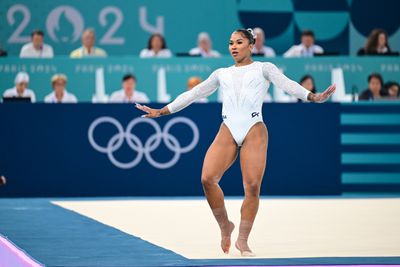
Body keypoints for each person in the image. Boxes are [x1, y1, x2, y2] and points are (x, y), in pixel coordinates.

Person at [136, 28, 335, 256]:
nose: (233, 46)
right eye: (230, 42)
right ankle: (225, 226)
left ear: (251, 45)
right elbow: (193, 93)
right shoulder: (222, 73)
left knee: (251, 186)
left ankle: (242, 239)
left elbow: (287, 84)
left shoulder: (264, 68)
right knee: (207, 179)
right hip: (228, 128)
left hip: (254, 128)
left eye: (239, 42)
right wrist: (162, 111)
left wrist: (312, 96)